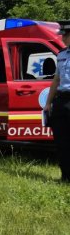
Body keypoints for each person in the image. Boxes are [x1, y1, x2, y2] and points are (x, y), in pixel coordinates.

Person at [44, 20, 70, 183]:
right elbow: (56, 80)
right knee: (62, 141)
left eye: (65, 35)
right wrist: (48, 103)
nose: (62, 39)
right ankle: (66, 176)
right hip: (61, 101)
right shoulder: (61, 54)